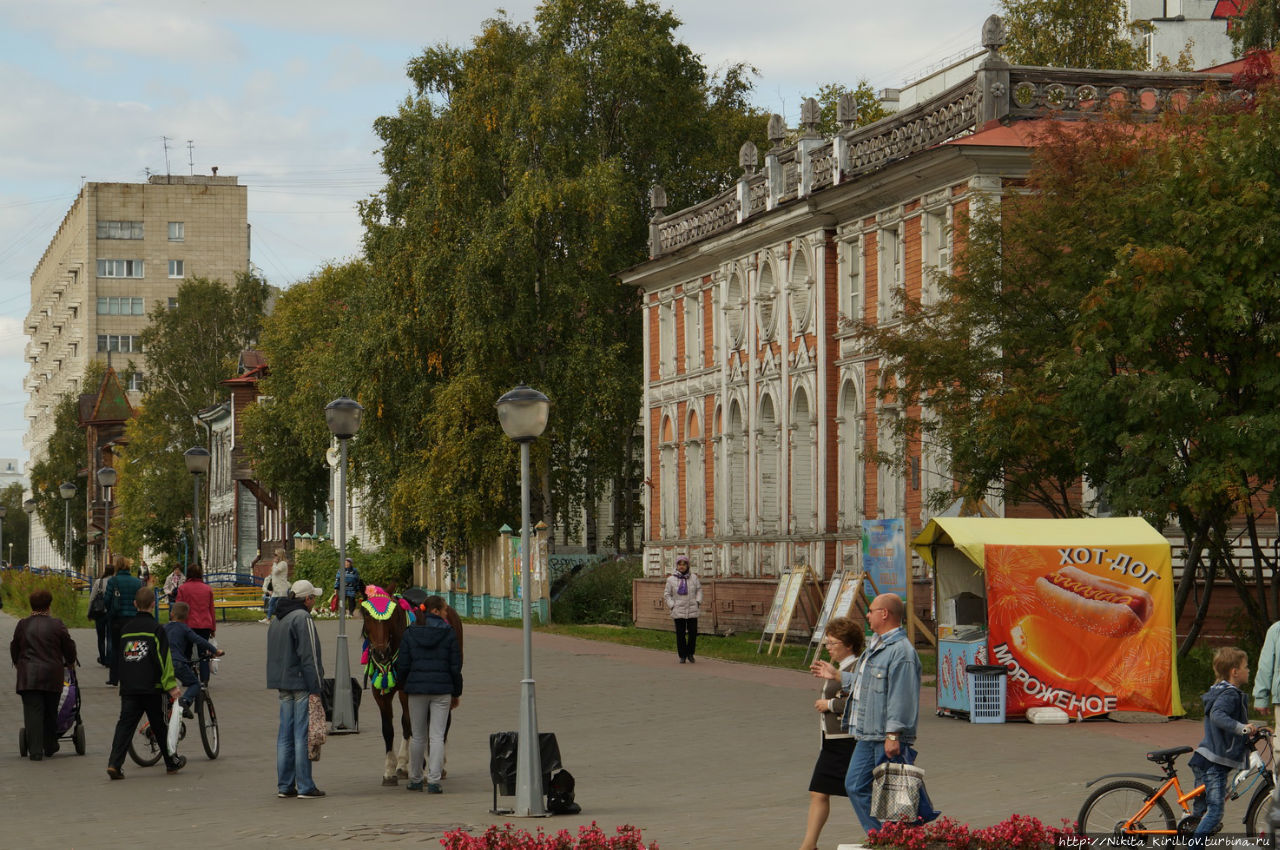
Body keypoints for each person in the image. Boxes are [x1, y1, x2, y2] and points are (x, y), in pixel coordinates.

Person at [811, 593, 922, 835]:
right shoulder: (877, 645)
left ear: (885, 614)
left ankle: (896, 837)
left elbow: (901, 696)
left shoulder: (901, 652)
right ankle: (883, 837)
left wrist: (893, 734)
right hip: (866, 733)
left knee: (893, 793)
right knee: (855, 785)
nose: (867, 615)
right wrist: (838, 676)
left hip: (885, 734)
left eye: (871, 611)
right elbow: (864, 685)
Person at [105, 587, 186, 779]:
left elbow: (121, 658)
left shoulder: (126, 630)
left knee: (125, 725)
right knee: (160, 726)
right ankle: (171, 762)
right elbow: (163, 659)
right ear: (153, 604)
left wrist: (121, 681)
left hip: (129, 687)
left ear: (135, 604)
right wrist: (171, 685)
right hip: (152, 687)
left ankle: (114, 764)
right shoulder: (156, 629)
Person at [799, 616, 864, 850]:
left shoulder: (856, 667)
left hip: (846, 741)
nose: (829, 648)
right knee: (818, 791)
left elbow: (862, 701)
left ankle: (882, 834)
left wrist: (830, 706)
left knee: (860, 794)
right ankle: (809, 844)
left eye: (833, 643)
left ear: (848, 645)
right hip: (832, 739)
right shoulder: (840, 668)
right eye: (827, 643)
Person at [1188, 647, 1259, 846]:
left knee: (1201, 812)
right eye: (1246, 667)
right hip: (1214, 762)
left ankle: (1192, 835)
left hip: (1205, 758)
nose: (1249, 670)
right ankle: (1194, 846)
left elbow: (1233, 719)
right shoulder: (1229, 694)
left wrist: (1254, 727)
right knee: (1215, 812)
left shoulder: (1221, 690)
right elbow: (1218, 716)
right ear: (1234, 671)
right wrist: (1242, 728)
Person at [395, 591, 462, 794]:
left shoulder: (410, 632)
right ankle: (434, 780)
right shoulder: (449, 633)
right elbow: (455, 666)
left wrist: (404, 685)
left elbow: (403, 664)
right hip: (441, 691)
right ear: (435, 610)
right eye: (444, 610)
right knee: (437, 736)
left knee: (417, 736)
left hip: (416, 690)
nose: (445, 614)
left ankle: (415, 779)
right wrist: (456, 692)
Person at [267, 579, 325, 799]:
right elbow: (309, 655)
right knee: (302, 735)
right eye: (313, 598)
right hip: (301, 682)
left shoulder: (277, 618)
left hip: (281, 682)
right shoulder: (303, 618)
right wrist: (316, 687)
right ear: (307, 599)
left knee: (285, 735)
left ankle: (285, 785)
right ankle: (305, 785)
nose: (314, 602)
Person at [10, 589, 77, 761]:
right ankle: (50, 744)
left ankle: (35, 750)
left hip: (28, 676)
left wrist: (18, 663)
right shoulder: (57, 624)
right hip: (52, 675)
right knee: (50, 710)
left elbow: (14, 646)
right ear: (49, 605)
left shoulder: (23, 624)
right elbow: (68, 646)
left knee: (32, 711)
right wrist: (70, 661)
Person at [163, 601, 224, 715]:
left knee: (165, 687)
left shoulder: (164, 627)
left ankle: (167, 708)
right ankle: (185, 701)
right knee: (195, 684)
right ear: (187, 617)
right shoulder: (185, 628)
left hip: (163, 664)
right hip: (177, 662)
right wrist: (215, 651)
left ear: (171, 614)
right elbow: (200, 640)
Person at [104, 555, 142, 686]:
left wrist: (109, 612)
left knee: (116, 648)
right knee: (132, 647)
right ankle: (131, 676)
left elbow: (107, 599)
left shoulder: (113, 581)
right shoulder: (137, 582)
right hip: (133, 619)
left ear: (117, 567)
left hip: (117, 619)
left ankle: (114, 678)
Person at [174, 564, 216, 683]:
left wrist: (176, 624)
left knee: (186, 653)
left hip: (187, 625)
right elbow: (211, 609)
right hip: (204, 625)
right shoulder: (207, 589)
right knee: (204, 654)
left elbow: (178, 607)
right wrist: (213, 628)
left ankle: (188, 679)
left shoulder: (183, 588)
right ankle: (204, 680)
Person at [663, 555, 702, 663]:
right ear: (677, 566)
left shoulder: (693, 578)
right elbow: (667, 594)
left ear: (687, 566)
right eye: (679, 564)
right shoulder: (671, 579)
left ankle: (690, 653)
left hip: (692, 609)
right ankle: (682, 655)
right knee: (680, 634)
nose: (681, 567)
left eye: (684, 564)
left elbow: (699, 590)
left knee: (693, 633)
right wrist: (672, 605)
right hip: (678, 610)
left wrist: (698, 601)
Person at [91, 564, 115, 667]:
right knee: (110, 637)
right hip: (111, 612)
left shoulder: (98, 582)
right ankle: (109, 659)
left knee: (101, 638)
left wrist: (89, 612)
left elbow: (92, 598)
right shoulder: (115, 582)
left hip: (99, 613)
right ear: (113, 572)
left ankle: (103, 659)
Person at [268, 548, 290, 621]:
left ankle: (281, 618)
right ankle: (269, 618)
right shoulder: (278, 564)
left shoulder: (283, 563)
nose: (274, 556)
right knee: (272, 603)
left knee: (280, 604)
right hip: (276, 588)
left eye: (275, 554)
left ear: (279, 555)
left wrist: (274, 563)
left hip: (281, 588)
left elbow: (275, 572)